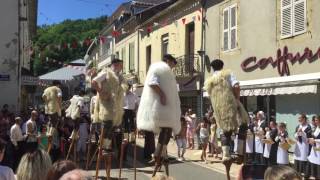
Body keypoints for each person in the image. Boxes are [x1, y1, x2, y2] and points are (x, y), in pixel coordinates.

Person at [137, 54, 181, 176]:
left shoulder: (167, 73)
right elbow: (152, 83)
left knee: (167, 131)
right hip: (160, 107)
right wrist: (162, 95)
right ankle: (158, 153)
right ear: (167, 61)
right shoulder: (158, 69)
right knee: (166, 130)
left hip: (166, 107)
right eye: (172, 63)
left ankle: (163, 154)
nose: (173, 66)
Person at [203, 59, 249, 176]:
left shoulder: (210, 81)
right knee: (244, 122)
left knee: (224, 129)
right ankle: (239, 153)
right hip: (230, 103)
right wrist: (237, 99)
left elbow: (210, 96)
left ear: (212, 68)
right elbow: (236, 85)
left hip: (218, 108)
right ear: (222, 66)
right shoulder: (227, 74)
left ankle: (226, 154)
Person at [42, 80, 62, 153]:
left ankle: (49, 133)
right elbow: (59, 97)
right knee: (54, 122)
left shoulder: (46, 89)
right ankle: (50, 134)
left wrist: (47, 102)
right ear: (57, 84)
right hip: (55, 108)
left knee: (50, 121)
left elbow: (43, 96)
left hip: (48, 109)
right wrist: (60, 105)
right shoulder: (57, 89)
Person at [307, 115, 320, 179]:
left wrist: (315, 140)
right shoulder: (316, 128)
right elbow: (314, 137)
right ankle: (313, 175)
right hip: (315, 148)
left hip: (319, 149)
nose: (315, 121)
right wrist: (310, 140)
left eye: (316, 120)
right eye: (315, 120)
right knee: (313, 161)